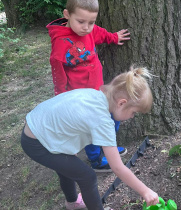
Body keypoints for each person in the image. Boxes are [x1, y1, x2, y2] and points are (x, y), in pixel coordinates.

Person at [21, 67, 159, 210]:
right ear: (122, 103)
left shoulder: (95, 95)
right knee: (88, 177)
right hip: (37, 142)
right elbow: (117, 167)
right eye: (133, 112)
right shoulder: (102, 120)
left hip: (37, 128)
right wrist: (145, 191)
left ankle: (72, 203)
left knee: (67, 167)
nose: (132, 117)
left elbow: (69, 116)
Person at [46, 0, 130, 172]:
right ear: (67, 15)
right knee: (91, 129)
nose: (86, 27)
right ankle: (96, 160)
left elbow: (99, 33)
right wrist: (62, 97)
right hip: (79, 98)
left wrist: (114, 37)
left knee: (111, 119)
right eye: (81, 22)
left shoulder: (90, 31)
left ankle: (109, 149)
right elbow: (59, 73)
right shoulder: (61, 42)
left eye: (91, 22)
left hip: (98, 91)